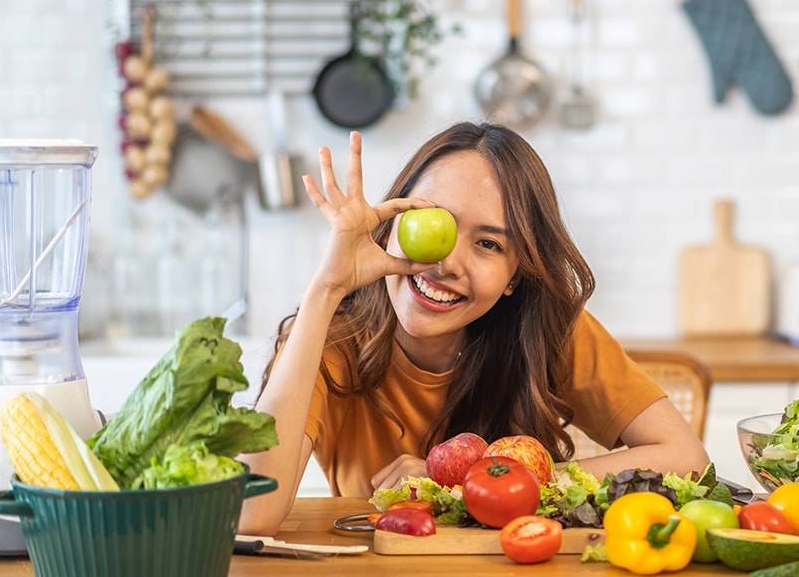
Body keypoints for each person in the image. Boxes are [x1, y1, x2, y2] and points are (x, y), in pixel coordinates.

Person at [238, 122, 709, 536]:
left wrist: (469, 482)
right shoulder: (330, 338)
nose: (445, 263)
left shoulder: (550, 329)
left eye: (487, 243)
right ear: (391, 223)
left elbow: (687, 458)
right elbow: (249, 516)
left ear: (514, 277)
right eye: (433, 221)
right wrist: (327, 288)